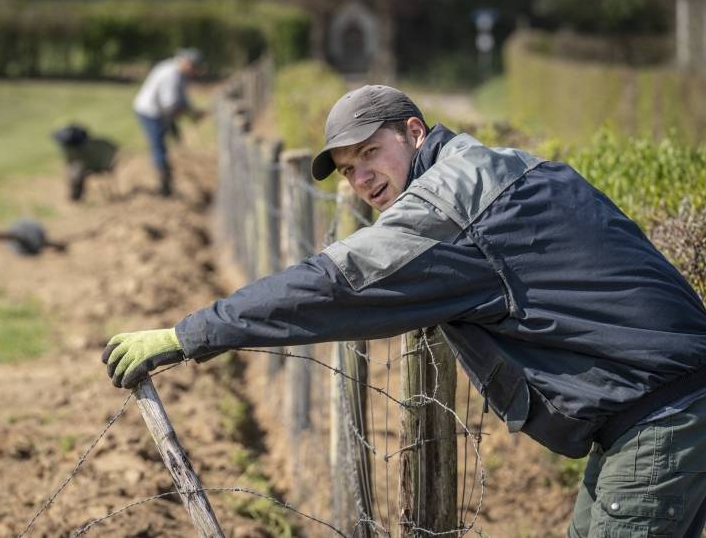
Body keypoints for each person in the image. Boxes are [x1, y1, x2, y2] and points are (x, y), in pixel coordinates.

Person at [103, 85, 706, 536]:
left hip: (661, 414)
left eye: (370, 153)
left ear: (415, 133)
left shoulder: (447, 204)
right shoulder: (508, 165)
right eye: (346, 170)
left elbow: (332, 286)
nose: (361, 178)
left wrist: (191, 333)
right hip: (664, 403)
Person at [133, 47, 205, 196]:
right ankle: (164, 184)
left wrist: (191, 112)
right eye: (193, 66)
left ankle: (166, 180)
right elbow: (170, 105)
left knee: (164, 141)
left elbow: (181, 99)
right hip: (150, 112)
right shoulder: (171, 75)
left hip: (160, 112)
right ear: (185, 62)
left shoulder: (178, 72)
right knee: (159, 144)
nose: (194, 70)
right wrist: (191, 115)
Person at [0, 218, 67, 255]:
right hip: (35, 242)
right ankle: (58, 245)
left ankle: (58, 245)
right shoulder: (13, 243)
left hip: (35, 240)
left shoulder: (17, 228)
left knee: (45, 243)